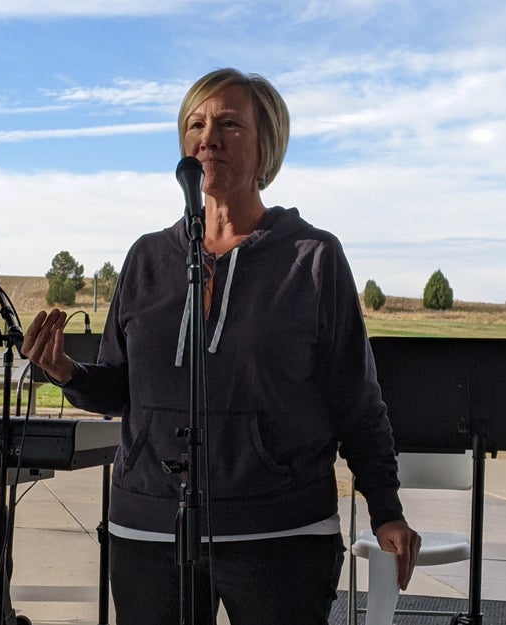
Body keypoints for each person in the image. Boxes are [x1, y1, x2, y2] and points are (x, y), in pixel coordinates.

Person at [21, 68, 420, 625]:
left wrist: (387, 510)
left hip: (280, 530)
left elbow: (356, 400)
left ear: (267, 145)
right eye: (196, 124)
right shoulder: (146, 258)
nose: (208, 137)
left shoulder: (313, 258)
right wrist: (65, 371)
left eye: (230, 124)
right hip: (148, 526)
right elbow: (121, 389)